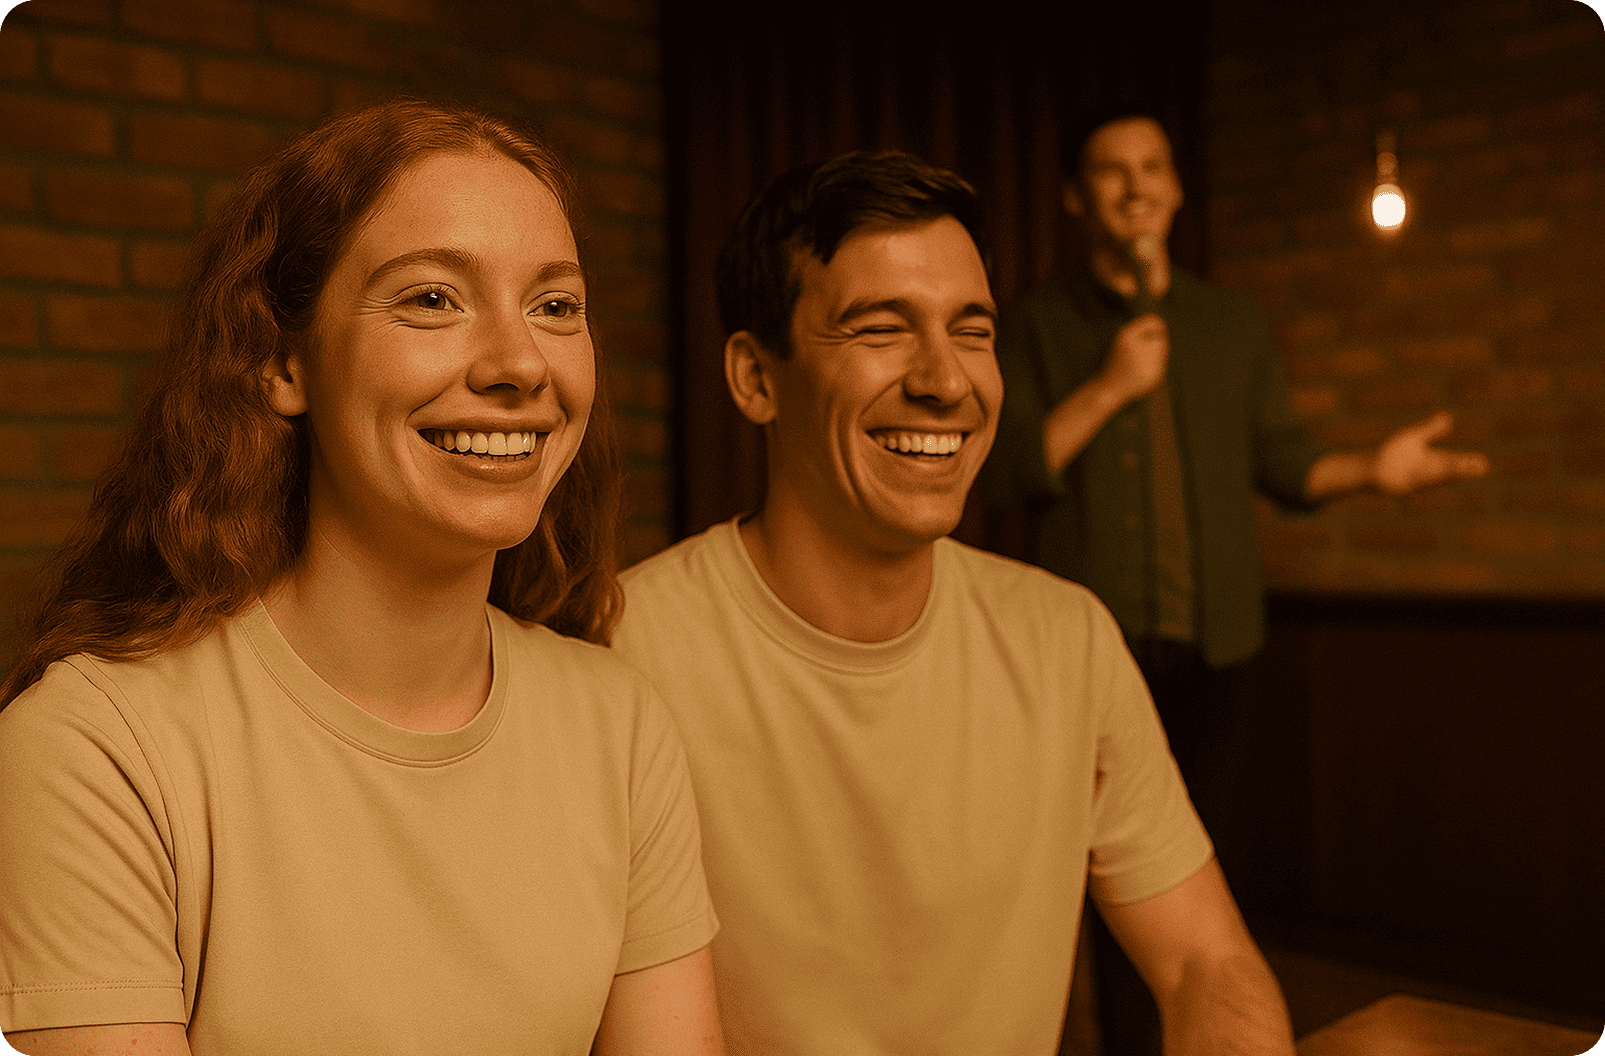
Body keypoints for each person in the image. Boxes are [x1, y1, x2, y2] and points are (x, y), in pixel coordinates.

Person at [0, 99, 722, 1056]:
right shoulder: (93, 747)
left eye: (555, 306)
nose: (517, 363)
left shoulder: (618, 725)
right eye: (431, 298)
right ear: (279, 361)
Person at [611, 149, 1296, 1056]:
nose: (945, 381)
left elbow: (1206, 964)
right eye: (879, 329)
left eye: (971, 331)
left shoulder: (1067, 640)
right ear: (755, 378)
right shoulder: (622, 653)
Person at [980, 111, 1489, 1054]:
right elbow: (1004, 474)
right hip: (1093, 655)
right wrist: (1109, 386)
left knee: (1202, 880)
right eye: (1110, 171)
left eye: (1152, 168)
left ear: (1174, 190)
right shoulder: (1038, 324)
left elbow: (1285, 464)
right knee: (1104, 884)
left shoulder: (1229, 323)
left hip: (1221, 652)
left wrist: (1373, 471)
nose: (1135, 187)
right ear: (1074, 197)